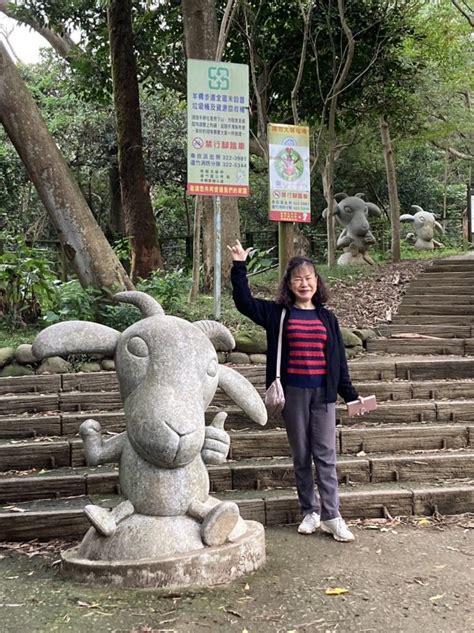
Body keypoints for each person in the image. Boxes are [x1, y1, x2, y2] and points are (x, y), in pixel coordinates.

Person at [228, 239, 372, 542]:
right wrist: (239, 266)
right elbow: (243, 302)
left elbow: (338, 362)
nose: (304, 283)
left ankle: (332, 516)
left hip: (323, 395)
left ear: (316, 282)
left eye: (309, 278)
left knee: (326, 455)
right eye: (298, 279)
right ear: (289, 284)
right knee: (302, 455)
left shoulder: (326, 318)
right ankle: (310, 511)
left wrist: (350, 393)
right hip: (292, 393)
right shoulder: (278, 314)